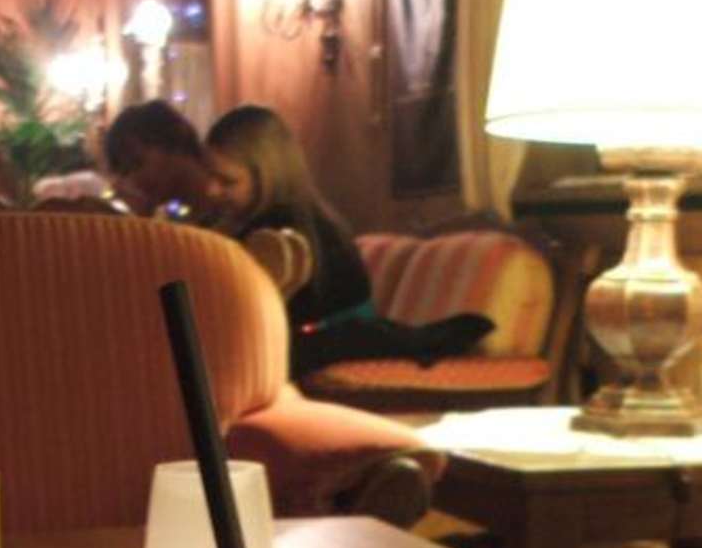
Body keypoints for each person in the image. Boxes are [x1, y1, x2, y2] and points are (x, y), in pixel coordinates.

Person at [204, 105, 492, 378]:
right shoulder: (294, 216)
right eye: (210, 176)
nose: (211, 190)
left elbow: (247, 319)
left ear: (267, 175)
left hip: (329, 342)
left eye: (227, 181)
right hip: (338, 336)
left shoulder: (282, 229)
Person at [101, 100, 215, 221]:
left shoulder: (224, 208)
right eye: (126, 172)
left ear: (175, 140)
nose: (134, 180)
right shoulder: (181, 214)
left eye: (137, 162)